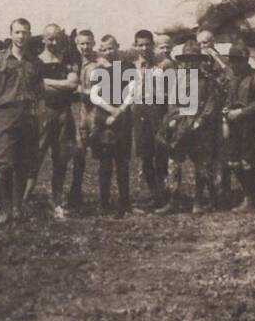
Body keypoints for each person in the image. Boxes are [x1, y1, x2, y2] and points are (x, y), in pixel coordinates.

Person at [0, 18, 44, 223]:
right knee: (4, 165)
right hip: (5, 115)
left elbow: (40, 94)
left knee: (22, 164)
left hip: (28, 116)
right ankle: (4, 210)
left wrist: (40, 118)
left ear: (29, 34)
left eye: (25, 32)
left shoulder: (35, 62)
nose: (21, 36)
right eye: (17, 32)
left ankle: (18, 209)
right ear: (11, 34)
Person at [155, 40, 223, 214]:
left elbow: (211, 105)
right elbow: (172, 104)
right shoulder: (178, 80)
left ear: (200, 60)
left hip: (199, 129)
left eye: (194, 59)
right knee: (174, 164)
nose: (190, 63)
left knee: (201, 165)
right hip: (179, 126)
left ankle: (198, 201)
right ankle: (173, 199)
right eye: (186, 60)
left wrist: (200, 120)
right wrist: (173, 120)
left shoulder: (208, 81)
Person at [31, 23, 80, 219]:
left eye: (58, 38)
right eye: (50, 38)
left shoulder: (68, 58)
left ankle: (57, 201)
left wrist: (46, 82)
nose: (54, 42)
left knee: (61, 159)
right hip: (44, 113)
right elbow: (36, 88)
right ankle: (22, 200)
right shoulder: (36, 61)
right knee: (35, 157)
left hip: (64, 113)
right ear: (43, 39)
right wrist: (62, 85)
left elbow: (73, 84)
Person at [84, 44, 134, 217]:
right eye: (104, 49)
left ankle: (125, 202)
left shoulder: (127, 67)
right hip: (104, 119)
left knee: (123, 162)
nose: (108, 52)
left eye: (111, 48)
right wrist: (111, 110)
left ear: (118, 47)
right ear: (100, 50)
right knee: (105, 162)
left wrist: (120, 110)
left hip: (122, 119)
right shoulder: (99, 70)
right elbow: (94, 95)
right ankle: (104, 202)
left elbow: (132, 91)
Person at [221, 41, 255, 212]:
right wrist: (226, 109)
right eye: (232, 61)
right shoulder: (232, 78)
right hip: (233, 125)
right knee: (233, 162)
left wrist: (241, 112)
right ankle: (254, 193)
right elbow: (229, 99)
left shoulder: (254, 77)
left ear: (246, 61)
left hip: (249, 124)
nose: (234, 64)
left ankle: (250, 200)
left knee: (247, 161)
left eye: (238, 61)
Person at [130, 29, 169, 211]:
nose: (144, 48)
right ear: (135, 46)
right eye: (140, 44)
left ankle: (165, 198)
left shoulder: (164, 65)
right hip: (139, 111)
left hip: (157, 110)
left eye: (147, 44)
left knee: (160, 154)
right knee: (145, 156)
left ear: (152, 45)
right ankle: (155, 195)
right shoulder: (132, 66)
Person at [66, 28, 97, 210]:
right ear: (77, 45)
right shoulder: (73, 61)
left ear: (93, 44)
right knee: (79, 152)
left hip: (95, 112)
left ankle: (106, 198)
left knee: (104, 153)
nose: (85, 47)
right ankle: (75, 192)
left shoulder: (98, 63)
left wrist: (80, 90)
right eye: (82, 44)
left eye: (88, 43)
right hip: (79, 112)